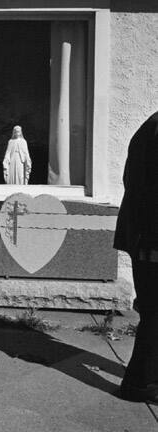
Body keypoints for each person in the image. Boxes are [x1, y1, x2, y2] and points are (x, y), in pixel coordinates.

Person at [114, 111, 158, 403]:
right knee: (156, 314)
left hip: (147, 237)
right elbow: (149, 189)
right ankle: (139, 384)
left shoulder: (151, 126)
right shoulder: (155, 130)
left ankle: (145, 379)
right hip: (151, 240)